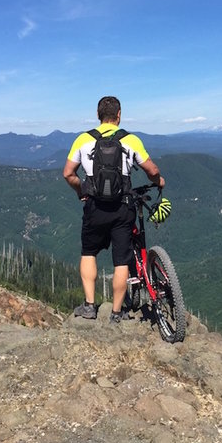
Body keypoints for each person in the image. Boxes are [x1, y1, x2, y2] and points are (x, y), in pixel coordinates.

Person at [63, 96, 165, 323]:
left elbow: (68, 173)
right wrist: (159, 181)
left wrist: (81, 191)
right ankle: (117, 313)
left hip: (94, 206)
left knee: (89, 252)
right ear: (119, 115)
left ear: (98, 115)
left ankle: (90, 306)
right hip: (122, 207)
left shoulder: (83, 139)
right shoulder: (131, 140)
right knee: (121, 260)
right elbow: (151, 169)